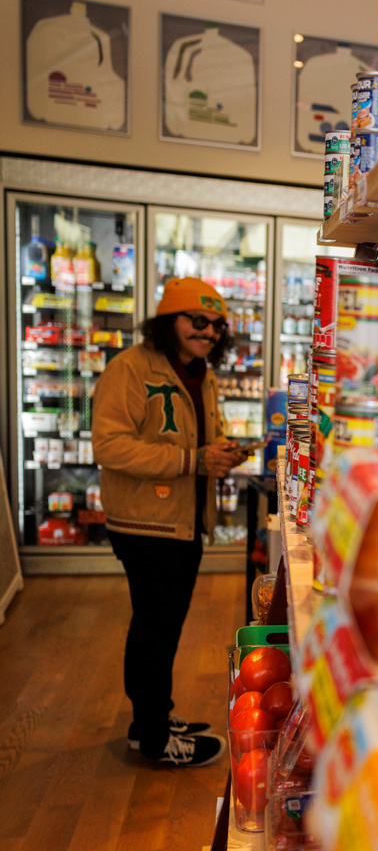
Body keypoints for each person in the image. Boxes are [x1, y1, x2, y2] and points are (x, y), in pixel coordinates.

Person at [92, 277, 252, 766]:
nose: (207, 332)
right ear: (169, 321)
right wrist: (193, 461)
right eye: (197, 321)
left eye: (216, 325)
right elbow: (109, 445)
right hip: (145, 523)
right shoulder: (130, 368)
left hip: (183, 520)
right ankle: (157, 740)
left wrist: (222, 450)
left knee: (161, 626)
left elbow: (203, 437)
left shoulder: (200, 372)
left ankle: (150, 723)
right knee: (156, 628)